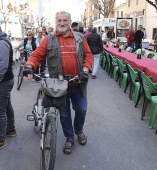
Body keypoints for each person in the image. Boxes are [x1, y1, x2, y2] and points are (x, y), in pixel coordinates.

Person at [25, 11, 93, 154]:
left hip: (78, 82)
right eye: (59, 20)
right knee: (64, 114)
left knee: (81, 110)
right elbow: (37, 54)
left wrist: (85, 70)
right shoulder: (49, 39)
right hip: (58, 85)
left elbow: (88, 55)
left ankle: (79, 130)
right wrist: (29, 66)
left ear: (70, 22)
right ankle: (69, 138)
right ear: (56, 22)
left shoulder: (80, 38)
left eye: (65, 20)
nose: (62, 23)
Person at [0, 26, 16, 150]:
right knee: (7, 106)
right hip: (5, 80)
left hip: (4, 81)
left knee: (0, 110)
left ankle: (1, 140)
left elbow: (3, 66)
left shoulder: (2, 43)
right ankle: (11, 129)